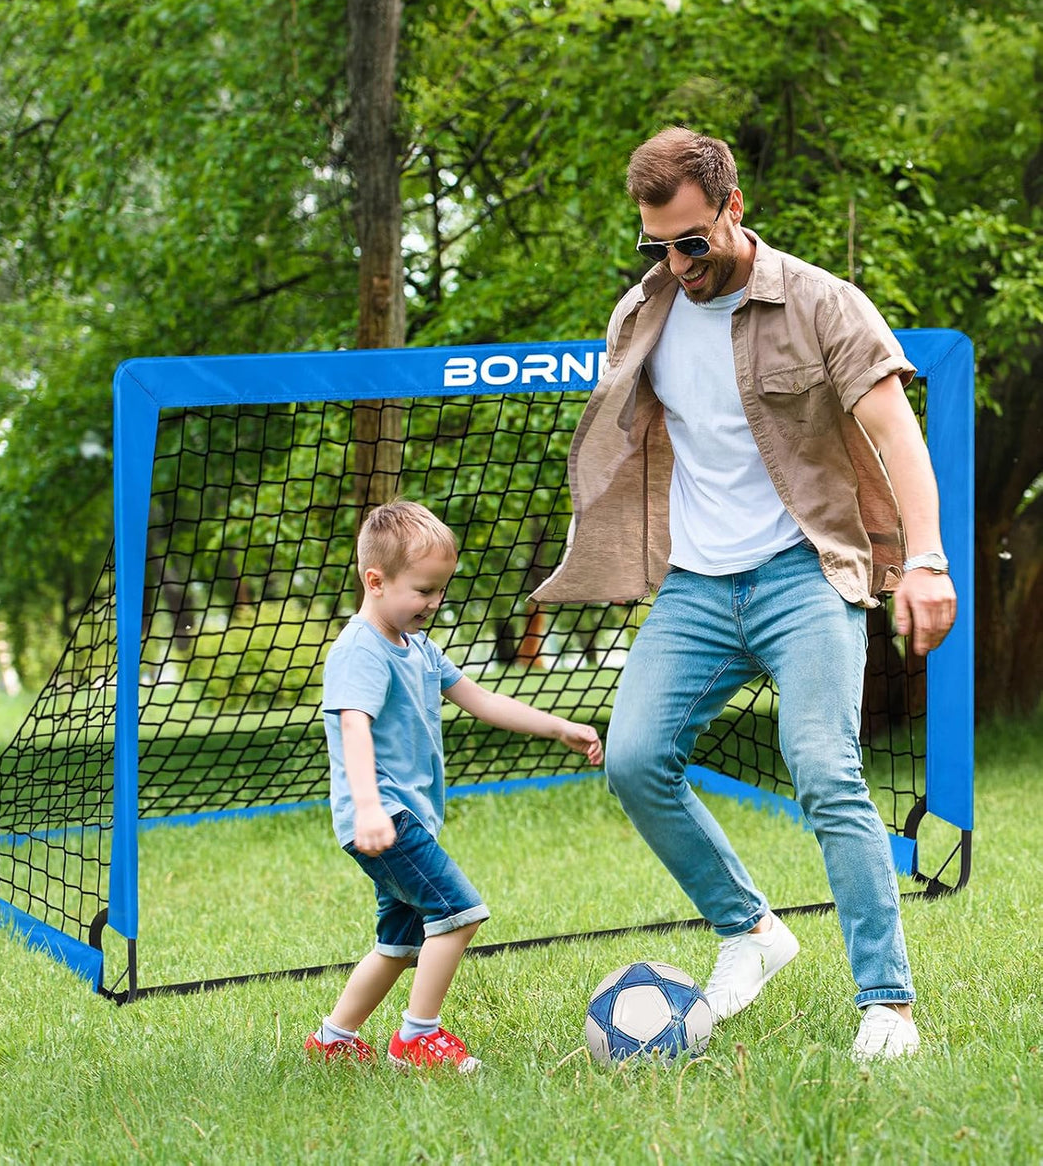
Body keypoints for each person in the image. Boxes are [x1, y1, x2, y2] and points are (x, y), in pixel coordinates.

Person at [532, 127, 957, 1061]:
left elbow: (897, 433)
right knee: (636, 760)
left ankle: (886, 1006)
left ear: (732, 211)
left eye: (692, 240)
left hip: (804, 573)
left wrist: (924, 559)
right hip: (696, 583)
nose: (676, 262)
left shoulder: (820, 304)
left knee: (823, 765)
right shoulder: (639, 316)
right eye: (656, 245)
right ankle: (753, 931)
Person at [309, 499, 603, 1071]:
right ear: (376, 580)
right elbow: (353, 729)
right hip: (385, 817)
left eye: (441, 589)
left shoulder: (417, 647)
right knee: (460, 913)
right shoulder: (360, 652)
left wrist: (559, 726)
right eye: (423, 590)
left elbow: (481, 700)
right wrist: (369, 807)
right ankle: (418, 1039)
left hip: (406, 817)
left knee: (399, 945)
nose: (435, 603)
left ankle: (333, 1038)